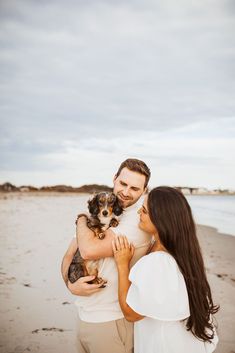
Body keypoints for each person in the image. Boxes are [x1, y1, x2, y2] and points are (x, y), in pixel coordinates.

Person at [112, 186, 219, 353]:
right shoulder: (184, 252)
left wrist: (122, 264)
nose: (139, 211)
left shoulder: (158, 262)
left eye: (145, 210)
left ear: (161, 220)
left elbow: (131, 314)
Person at [61, 158, 152, 353]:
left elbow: (87, 250)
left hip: (111, 321)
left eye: (135, 188)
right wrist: (70, 285)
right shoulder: (101, 213)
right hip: (83, 315)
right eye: (123, 183)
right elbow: (69, 255)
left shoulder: (139, 222)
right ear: (114, 178)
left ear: (144, 190)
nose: (126, 192)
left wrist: (81, 220)